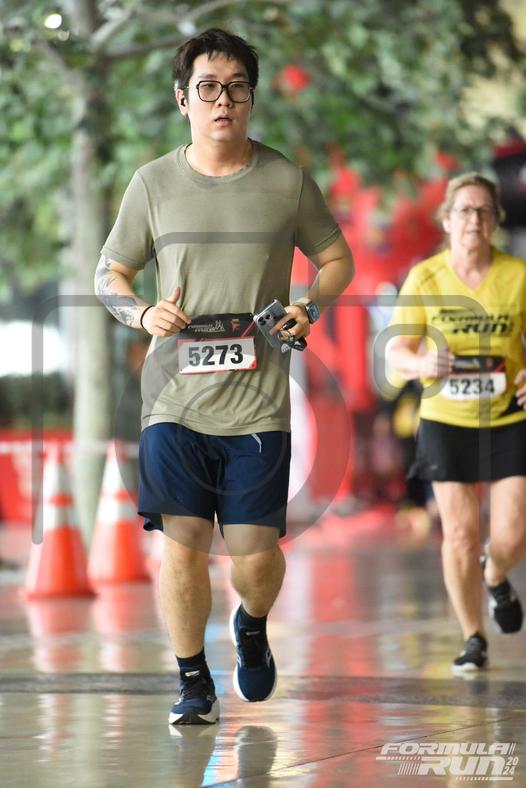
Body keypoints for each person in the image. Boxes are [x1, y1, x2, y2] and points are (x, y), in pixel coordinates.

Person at [94, 28, 354, 723]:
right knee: (181, 548)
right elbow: (108, 273)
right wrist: (142, 312)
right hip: (172, 402)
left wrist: (309, 307)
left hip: (258, 405)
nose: (223, 101)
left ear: (251, 98)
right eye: (208, 88)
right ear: (183, 99)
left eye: (237, 88)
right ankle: (192, 682)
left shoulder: (285, 181)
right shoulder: (152, 183)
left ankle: (251, 623)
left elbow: (337, 260)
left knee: (255, 558)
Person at [387, 171, 526, 673]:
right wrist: (421, 362)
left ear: (496, 221)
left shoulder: (518, 276)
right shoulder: (425, 277)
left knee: (512, 534)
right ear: (447, 221)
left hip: (508, 415)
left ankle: (495, 574)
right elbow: (395, 353)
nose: (474, 219)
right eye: (464, 210)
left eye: (484, 210)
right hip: (446, 419)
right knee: (461, 534)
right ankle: (473, 635)